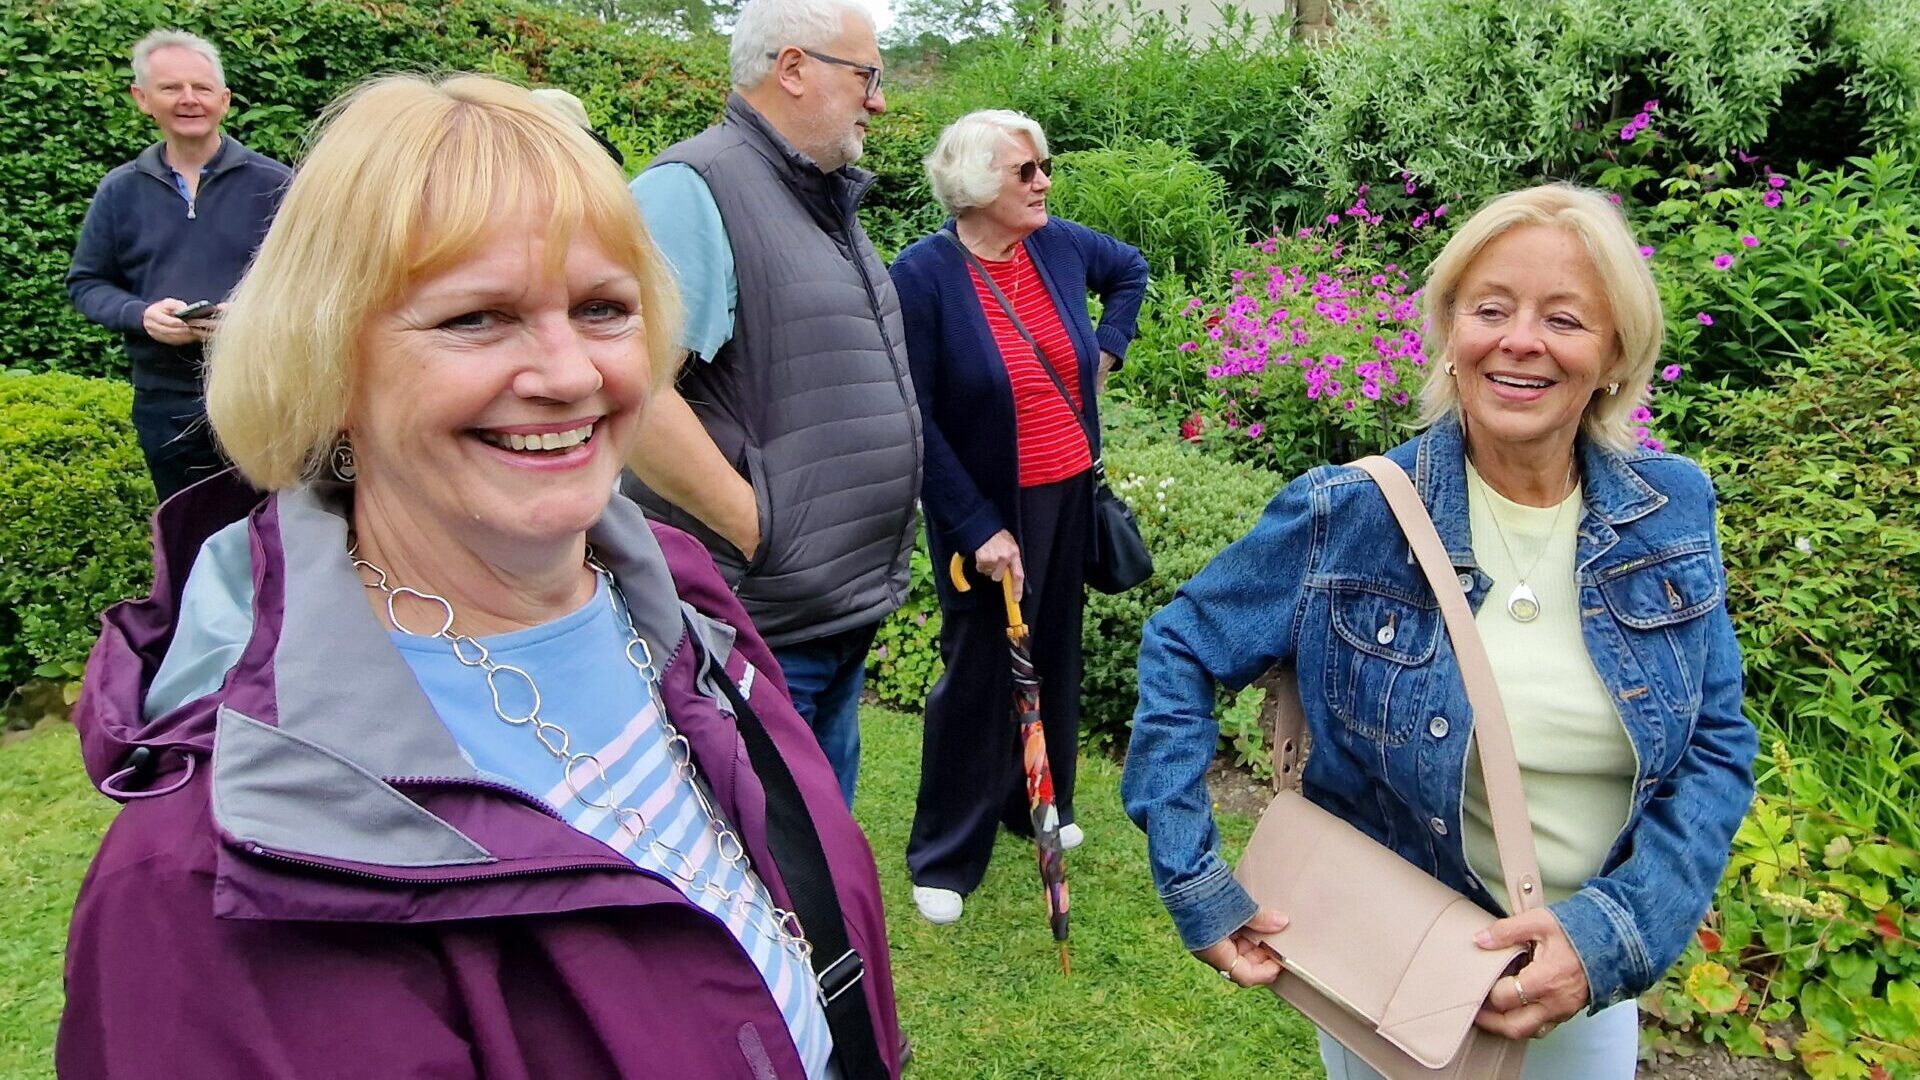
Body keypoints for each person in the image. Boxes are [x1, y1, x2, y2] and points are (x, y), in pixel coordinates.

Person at [58, 74, 903, 1080]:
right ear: (323, 365)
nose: (570, 373)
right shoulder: (208, 874)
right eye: (476, 319)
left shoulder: (674, 597)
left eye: (603, 308)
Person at [1121, 184, 1756, 1077]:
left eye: (1565, 318)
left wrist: (1613, 935)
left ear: (1615, 352)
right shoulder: (1352, 516)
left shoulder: (1671, 511)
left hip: (1586, 981)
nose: (1520, 340)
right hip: (1397, 973)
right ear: (1451, 333)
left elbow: (1717, 744)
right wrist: (1195, 879)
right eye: (1490, 308)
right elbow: (1183, 647)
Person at [624, 0, 922, 807]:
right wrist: (768, 531)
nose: (879, 101)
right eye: (868, 76)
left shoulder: (819, 198)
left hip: (827, 614)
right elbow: (632, 395)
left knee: (822, 864)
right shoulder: (695, 189)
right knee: (770, 864)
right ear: (793, 69)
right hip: (759, 620)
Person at [888, 111, 1149, 925]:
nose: (1043, 183)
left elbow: (1132, 269)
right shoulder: (923, 276)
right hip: (989, 505)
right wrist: (974, 525)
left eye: (1043, 167)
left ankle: (1037, 802)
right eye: (1024, 172)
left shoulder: (1059, 244)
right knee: (979, 670)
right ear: (973, 186)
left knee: (1054, 650)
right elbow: (916, 414)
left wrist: (1109, 344)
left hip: (1066, 488)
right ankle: (944, 854)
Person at [65, 30, 290, 500]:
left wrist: (250, 319)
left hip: (261, 392)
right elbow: (87, 283)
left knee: (275, 533)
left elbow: (315, 284)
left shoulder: (277, 185)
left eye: (202, 88)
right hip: (166, 401)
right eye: (171, 89)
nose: (189, 100)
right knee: (188, 535)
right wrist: (140, 315)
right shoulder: (120, 190)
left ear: (224, 100)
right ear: (142, 99)